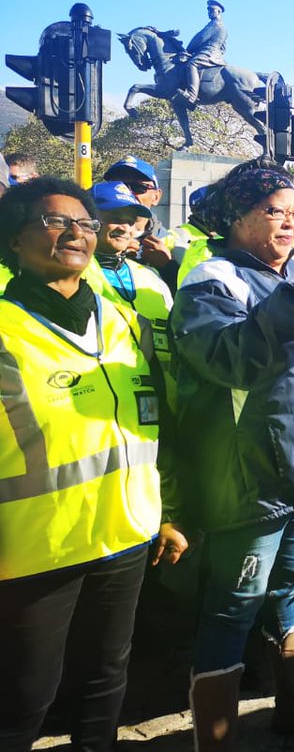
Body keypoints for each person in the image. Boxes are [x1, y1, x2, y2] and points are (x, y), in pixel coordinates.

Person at [171, 163, 294, 748]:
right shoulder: (212, 280)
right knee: (233, 606)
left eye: (293, 211)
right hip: (254, 478)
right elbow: (227, 359)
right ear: (237, 216)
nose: (289, 221)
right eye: (272, 210)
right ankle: (217, 739)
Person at [0, 177, 186, 750]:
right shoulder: (6, 329)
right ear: (14, 240)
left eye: (83, 223)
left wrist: (166, 512)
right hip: (35, 552)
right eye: (54, 221)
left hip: (124, 536)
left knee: (104, 683)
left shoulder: (123, 321)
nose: (74, 234)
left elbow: (153, 425)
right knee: (23, 699)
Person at [88, 181, 177, 398]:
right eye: (115, 218)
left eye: (130, 221)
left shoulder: (151, 278)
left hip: (167, 406)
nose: (125, 228)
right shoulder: (72, 275)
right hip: (108, 406)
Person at [177, 0, 228, 107]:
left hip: (208, 53)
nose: (209, 12)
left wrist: (188, 51)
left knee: (192, 64)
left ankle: (192, 95)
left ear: (219, 12)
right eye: (208, 10)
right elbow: (223, 48)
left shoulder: (214, 25)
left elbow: (200, 38)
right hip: (216, 54)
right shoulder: (223, 27)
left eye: (212, 10)